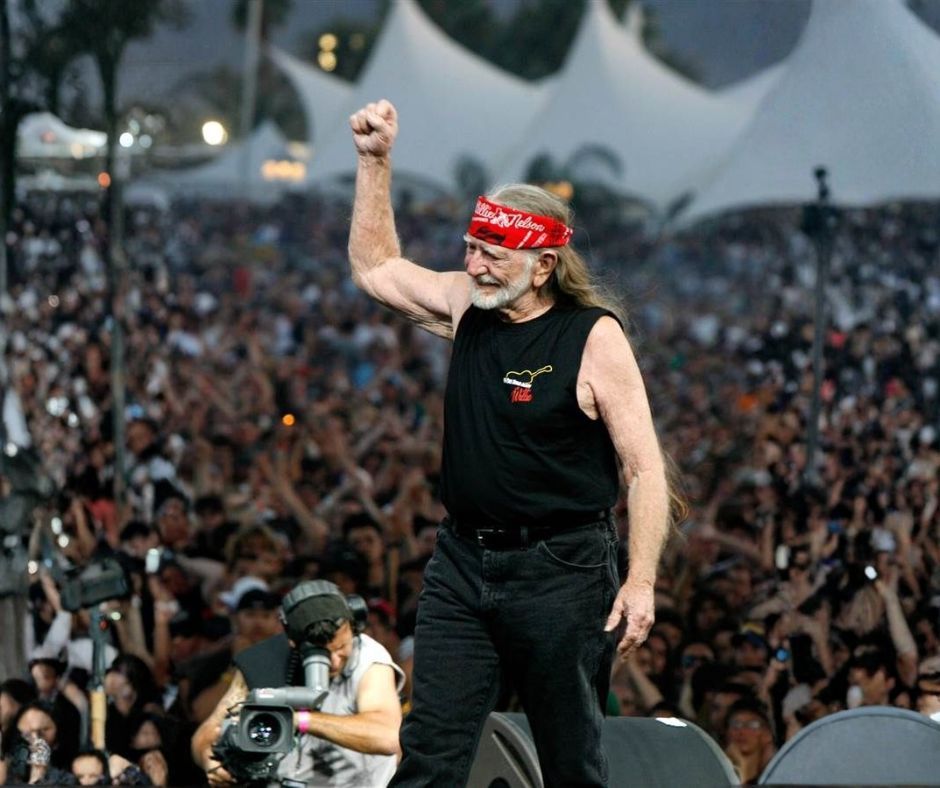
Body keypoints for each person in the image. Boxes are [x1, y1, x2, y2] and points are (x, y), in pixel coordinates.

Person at [347, 99, 672, 786]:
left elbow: (645, 469)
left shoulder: (592, 337)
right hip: (462, 563)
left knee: (569, 761)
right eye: (471, 248)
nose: (475, 266)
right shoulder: (468, 304)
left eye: (492, 255)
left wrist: (641, 581)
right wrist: (375, 163)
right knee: (429, 753)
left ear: (544, 264)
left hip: (564, 570)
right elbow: (376, 269)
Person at [191, 580, 403, 787]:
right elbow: (207, 733)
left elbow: (388, 736)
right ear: (293, 641)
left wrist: (299, 720)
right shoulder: (266, 660)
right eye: (323, 653)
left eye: (341, 648)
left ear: (353, 628)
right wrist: (210, 762)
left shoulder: (369, 659)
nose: (335, 662)